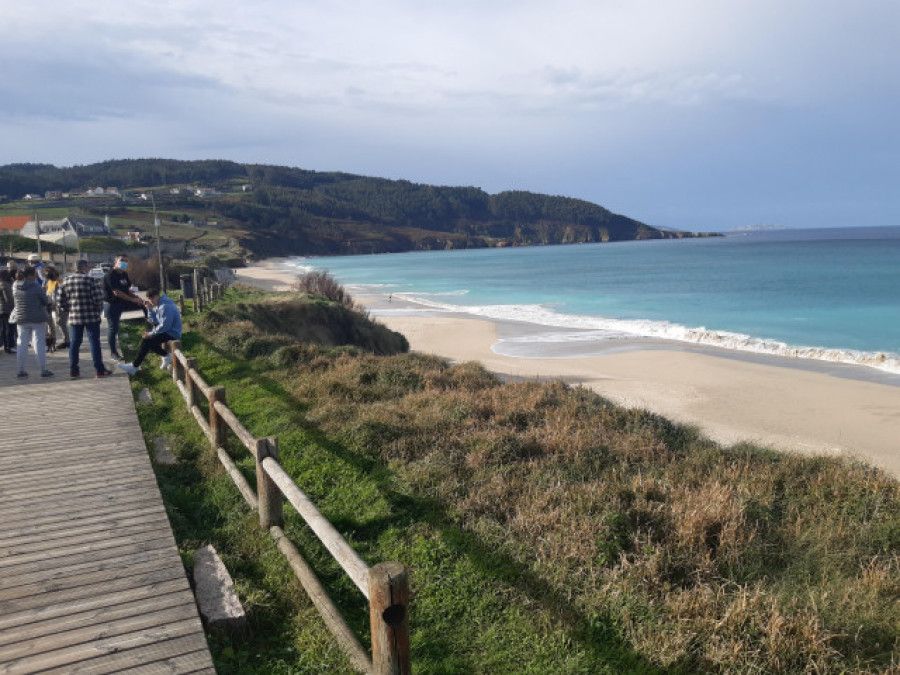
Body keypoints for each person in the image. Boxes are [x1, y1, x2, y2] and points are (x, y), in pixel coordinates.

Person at [58, 259, 113, 378]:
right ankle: (99, 369)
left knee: (75, 342)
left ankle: (74, 370)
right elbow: (98, 299)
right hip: (91, 316)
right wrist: (98, 310)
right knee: (94, 342)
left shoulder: (66, 281)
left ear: (74, 268)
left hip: (74, 317)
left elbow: (60, 301)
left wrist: (69, 309)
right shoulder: (91, 280)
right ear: (85, 268)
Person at [117, 288, 182, 376]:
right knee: (148, 341)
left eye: (152, 298)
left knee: (147, 341)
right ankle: (166, 356)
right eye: (149, 299)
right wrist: (150, 309)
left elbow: (165, 326)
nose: (151, 301)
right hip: (168, 331)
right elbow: (155, 321)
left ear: (157, 296)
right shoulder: (160, 305)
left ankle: (134, 366)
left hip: (173, 333)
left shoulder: (165, 306)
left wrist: (151, 333)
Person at [11, 266, 53, 378]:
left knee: (21, 344)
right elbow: (45, 300)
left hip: (21, 317)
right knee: (39, 343)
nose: (36, 276)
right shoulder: (36, 287)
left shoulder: (15, 286)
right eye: (34, 274)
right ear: (30, 276)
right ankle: (43, 370)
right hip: (37, 318)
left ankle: (21, 370)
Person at [103, 254, 144, 360]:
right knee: (113, 328)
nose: (124, 262)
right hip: (112, 305)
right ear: (115, 262)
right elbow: (117, 292)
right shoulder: (110, 275)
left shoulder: (124, 274)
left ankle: (150, 332)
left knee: (143, 306)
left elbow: (127, 290)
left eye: (126, 261)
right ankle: (113, 353)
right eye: (122, 260)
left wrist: (137, 298)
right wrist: (132, 299)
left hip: (122, 303)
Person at [44, 265, 69, 349]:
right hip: (50, 305)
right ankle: (52, 341)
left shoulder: (59, 281)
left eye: (49, 273)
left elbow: (61, 294)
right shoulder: (48, 282)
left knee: (61, 323)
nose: (47, 275)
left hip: (60, 305)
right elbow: (48, 293)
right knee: (50, 324)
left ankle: (66, 341)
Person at [0, 268, 14, 354]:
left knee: (3, 328)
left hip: (1, 309)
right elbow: (8, 299)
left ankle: (6, 345)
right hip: (6, 309)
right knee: (7, 328)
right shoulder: (4, 285)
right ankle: (7, 346)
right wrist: (13, 307)